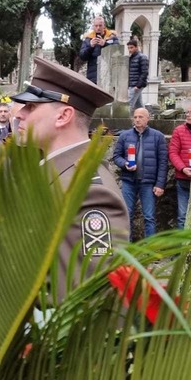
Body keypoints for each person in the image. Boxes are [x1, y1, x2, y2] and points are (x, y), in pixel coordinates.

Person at [11, 57, 128, 301]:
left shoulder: (91, 192)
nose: (19, 114)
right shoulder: (56, 172)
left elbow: (91, 297)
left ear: (63, 116)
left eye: (31, 106)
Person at [112, 108, 168, 241]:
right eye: (135, 117)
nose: (137, 119)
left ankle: (150, 247)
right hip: (129, 181)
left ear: (148, 118)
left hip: (148, 183)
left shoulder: (158, 136)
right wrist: (125, 164)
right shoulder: (125, 136)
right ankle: (127, 246)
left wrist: (160, 184)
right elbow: (116, 156)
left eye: (141, 117)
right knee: (127, 215)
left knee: (149, 216)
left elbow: (163, 162)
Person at [168, 104, 191, 229]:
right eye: (187, 112)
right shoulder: (179, 131)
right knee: (183, 215)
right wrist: (183, 168)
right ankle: (183, 241)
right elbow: (173, 153)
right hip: (183, 179)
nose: (188, 115)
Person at [78, 15, 119, 84]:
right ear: (93, 26)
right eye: (96, 26)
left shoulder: (112, 37)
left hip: (109, 76)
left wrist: (105, 44)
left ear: (104, 26)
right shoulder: (88, 39)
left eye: (100, 25)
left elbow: (118, 51)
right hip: (93, 77)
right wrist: (91, 46)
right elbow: (82, 56)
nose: (98, 28)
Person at [126, 38, 149, 112]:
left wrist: (138, 85)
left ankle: (125, 118)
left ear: (136, 47)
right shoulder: (131, 58)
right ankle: (145, 117)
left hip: (136, 85)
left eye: (131, 47)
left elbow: (144, 72)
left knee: (129, 104)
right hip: (132, 84)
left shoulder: (142, 57)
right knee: (139, 105)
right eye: (128, 48)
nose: (130, 50)